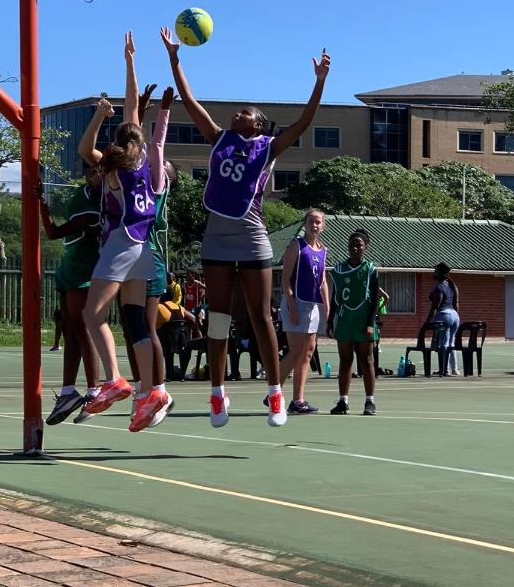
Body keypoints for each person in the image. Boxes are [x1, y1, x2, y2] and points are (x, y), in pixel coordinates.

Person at [162, 25, 330, 428]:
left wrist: (319, 83)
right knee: (218, 317)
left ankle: (276, 394)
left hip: (252, 238)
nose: (237, 113)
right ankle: (218, 395)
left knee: (259, 316)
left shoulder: (268, 148)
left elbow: (304, 124)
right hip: (217, 237)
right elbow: (189, 100)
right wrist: (174, 57)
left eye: (246, 113)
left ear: (258, 125)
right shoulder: (218, 138)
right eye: (237, 111)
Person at [79, 31, 170, 432]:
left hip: (121, 243)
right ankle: (150, 391)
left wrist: (99, 115)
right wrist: (131, 61)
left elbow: (85, 151)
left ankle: (114, 380)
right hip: (145, 249)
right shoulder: (150, 168)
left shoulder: (115, 168)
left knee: (92, 314)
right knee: (134, 321)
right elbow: (134, 109)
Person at [122, 84, 176, 429]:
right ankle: (148, 390)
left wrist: (163, 112)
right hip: (136, 258)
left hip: (149, 259)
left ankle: (157, 390)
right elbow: (140, 146)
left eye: (162, 166)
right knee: (134, 330)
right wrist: (140, 110)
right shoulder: (141, 180)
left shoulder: (156, 184)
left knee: (145, 328)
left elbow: (153, 145)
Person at [38, 171, 103, 425]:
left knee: (83, 329)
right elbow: (55, 232)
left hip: (84, 272)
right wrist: (43, 205)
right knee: (69, 331)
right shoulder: (82, 194)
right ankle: (68, 392)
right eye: (90, 169)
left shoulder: (97, 206)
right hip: (69, 268)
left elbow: (54, 232)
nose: (93, 174)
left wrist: (43, 206)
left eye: (99, 170)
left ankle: (94, 391)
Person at [277, 209, 329, 414]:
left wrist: (327, 307)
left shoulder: (323, 249)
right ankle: (274, 391)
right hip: (296, 303)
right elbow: (285, 280)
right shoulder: (296, 246)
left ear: (323, 226)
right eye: (311, 221)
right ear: (305, 223)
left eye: (318, 222)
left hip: (313, 306)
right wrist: (291, 307)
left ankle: (298, 401)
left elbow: (323, 280)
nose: (314, 225)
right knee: (295, 351)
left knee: (307, 354)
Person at [326, 228, 379, 416]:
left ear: (366, 246)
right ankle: (343, 401)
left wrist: (370, 323)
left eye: (359, 245)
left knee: (367, 360)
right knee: (345, 361)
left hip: (363, 319)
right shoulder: (340, 269)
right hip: (345, 318)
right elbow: (335, 297)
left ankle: (369, 402)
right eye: (352, 245)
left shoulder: (370, 269)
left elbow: (374, 298)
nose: (355, 248)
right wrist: (330, 320)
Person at [425, 261, 460, 376]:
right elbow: (456, 303)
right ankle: (454, 369)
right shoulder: (452, 286)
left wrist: (427, 322)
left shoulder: (440, 288)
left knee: (443, 343)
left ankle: (444, 370)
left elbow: (435, 307)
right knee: (451, 342)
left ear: (440, 273)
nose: (434, 272)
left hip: (444, 315)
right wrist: (455, 317)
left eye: (435, 270)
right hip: (455, 315)